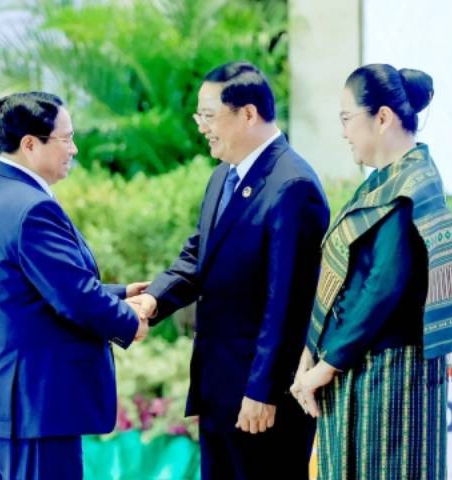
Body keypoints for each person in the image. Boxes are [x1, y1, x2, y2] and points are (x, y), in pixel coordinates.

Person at [130, 62, 329, 479]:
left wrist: (262, 390)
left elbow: (287, 304)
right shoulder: (224, 176)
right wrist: (152, 299)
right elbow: (198, 255)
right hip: (220, 390)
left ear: (248, 114)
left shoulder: (292, 186)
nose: (201, 126)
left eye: (208, 115)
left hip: (261, 402)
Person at [0, 92, 149, 480]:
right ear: (30, 144)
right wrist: (129, 321)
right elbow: (74, 297)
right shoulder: (32, 208)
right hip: (37, 410)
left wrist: (120, 292)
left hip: (5, 406)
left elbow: (31, 288)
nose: (74, 149)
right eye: (65, 139)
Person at [291, 64, 452, 479]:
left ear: (382, 118)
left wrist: (323, 368)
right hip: (362, 370)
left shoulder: (412, 187)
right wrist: (310, 355)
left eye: (347, 119)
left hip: (392, 378)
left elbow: (381, 288)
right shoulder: (386, 182)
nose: (344, 132)